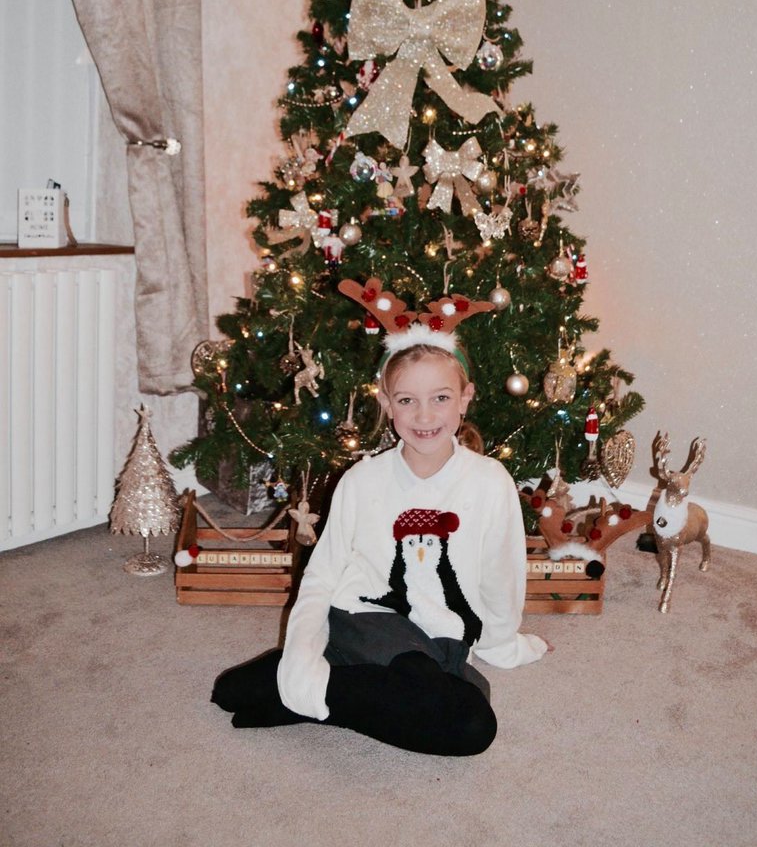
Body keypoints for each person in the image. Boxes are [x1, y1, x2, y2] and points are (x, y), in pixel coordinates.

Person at [212, 323, 550, 756]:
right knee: (229, 692)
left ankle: (319, 698)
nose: (424, 416)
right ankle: (327, 685)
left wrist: (504, 645)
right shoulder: (362, 479)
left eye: (440, 398)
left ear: (465, 399)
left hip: (439, 641)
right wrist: (300, 652)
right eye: (407, 400)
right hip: (361, 621)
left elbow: (502, 576)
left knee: (472, 727)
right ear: (386, 403)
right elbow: (322, 574)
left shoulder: (489, 481)